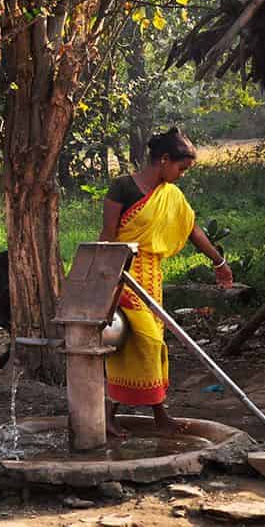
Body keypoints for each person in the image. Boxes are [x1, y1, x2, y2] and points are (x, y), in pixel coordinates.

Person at [99, 127, 233, 437]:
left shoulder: (171, 196)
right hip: (123, 276)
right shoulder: (122, 188)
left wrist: (220, 262)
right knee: (148, 341)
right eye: (181, 168)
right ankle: (122, 415)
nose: (182, 175)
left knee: (144, 348)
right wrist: (100, 283)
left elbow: (192, 230)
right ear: (163, 159)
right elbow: (107, 236)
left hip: (153, 279)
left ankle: (155, 416)